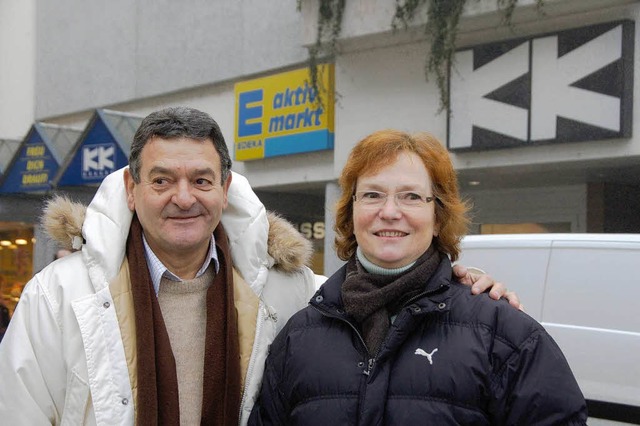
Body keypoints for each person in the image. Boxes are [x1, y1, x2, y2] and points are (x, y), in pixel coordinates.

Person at [0, 108, 515, 425]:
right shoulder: (59, 296)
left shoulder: (283, 288)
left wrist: (461, 285)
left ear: (225, 190)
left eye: (202, 181)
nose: (184, 198)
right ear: (131, 190)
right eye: (161, 181)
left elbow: (376, 294)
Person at [249, 130, 588, 425]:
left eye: (411, 196)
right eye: (372, 194)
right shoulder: (299, 336)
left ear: (438, 217)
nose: (390, 211)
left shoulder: (504, 334)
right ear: (351, 213)